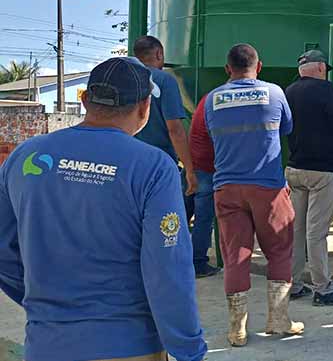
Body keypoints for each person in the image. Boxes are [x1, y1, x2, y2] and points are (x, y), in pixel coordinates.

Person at [0, 57, 207, 361]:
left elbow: (3, 251)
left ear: (85, 101)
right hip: (129, 345)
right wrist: (189, 349)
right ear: (144, 107)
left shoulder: (25, 156)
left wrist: (45, 307)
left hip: (47, 345)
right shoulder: (153, 167)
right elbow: (167, 269)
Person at [205, 43, 302, 347]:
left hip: (227, 188)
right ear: (259, 66)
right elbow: (287, 127)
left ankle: (237, 329)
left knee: (235, 255)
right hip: (268, 188)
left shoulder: (212, 99)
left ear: (227, 69)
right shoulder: (274, 93)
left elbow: (210, 133)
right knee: (279, 251)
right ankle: (278, 320)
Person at [285, 49, 333, 305]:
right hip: (323, 171)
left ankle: (294, 285)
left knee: (297, 231)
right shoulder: (325, 89)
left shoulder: (289, 91)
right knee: (316, 233)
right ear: (319, 68)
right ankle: (324, 289)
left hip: (295, 169)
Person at [132, 36, 207, 276]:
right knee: (163, 218)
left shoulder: (127, 77)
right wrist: (191, 170)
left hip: (127, 160)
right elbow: (175, 129)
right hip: (159, 163)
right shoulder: (164, 80)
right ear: (159, 54)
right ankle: (164, 266)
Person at [188, 91, 221, 278]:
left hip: (192, 164)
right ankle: (198, 263)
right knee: (204, 219)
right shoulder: (219, 103)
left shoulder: (207, 99)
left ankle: (171, 257)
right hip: (207, 168)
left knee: (180, 216)